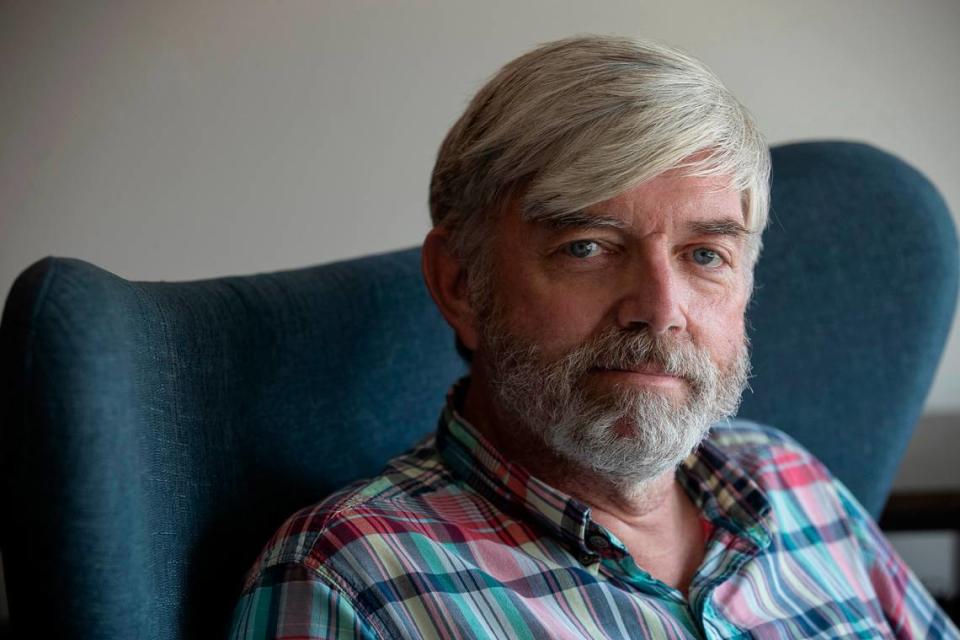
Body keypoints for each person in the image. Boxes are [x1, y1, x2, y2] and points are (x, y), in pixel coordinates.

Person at [229, 35, 958, 639]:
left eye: (705, 254)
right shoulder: (351, 582)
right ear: (460, 284)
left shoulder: (791, 479)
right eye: (587, 246)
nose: (659, 308)